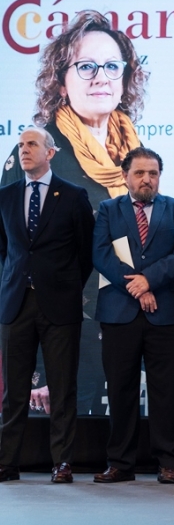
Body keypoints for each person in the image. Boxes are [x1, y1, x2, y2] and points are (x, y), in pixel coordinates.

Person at [2, 10, 145, 416]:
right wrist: (38, 372)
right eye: (86, 66)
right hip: (60, 325)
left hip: (119, 315)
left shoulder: (136, 156)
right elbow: (15, 260)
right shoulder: (38, 156)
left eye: (111, 66)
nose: (101, 76)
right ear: (61, 81)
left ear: (125, 76)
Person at [92, 147, 174, 484]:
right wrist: (137, 286)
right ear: (125, 176)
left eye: (152, 173)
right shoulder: (108, 209)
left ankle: (168, 462)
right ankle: (121, 463)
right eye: (139, 173)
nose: (146, 179)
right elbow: (101, 254)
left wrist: (150, 280)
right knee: (121, 389)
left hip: (166, 312)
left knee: (166, 390)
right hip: (119, 312)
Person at [0, 128, 94, 483]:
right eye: (21, 145)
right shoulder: (5, 196)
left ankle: (62, 462)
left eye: (32, 145)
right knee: (13, 389)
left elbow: (85, 254)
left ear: (50, 153)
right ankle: (7, 461)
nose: (24, 150)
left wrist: (65, 287)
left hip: (60, 306)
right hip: (15, 304)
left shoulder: (73, 196)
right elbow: (5, 251)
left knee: (62, 386)